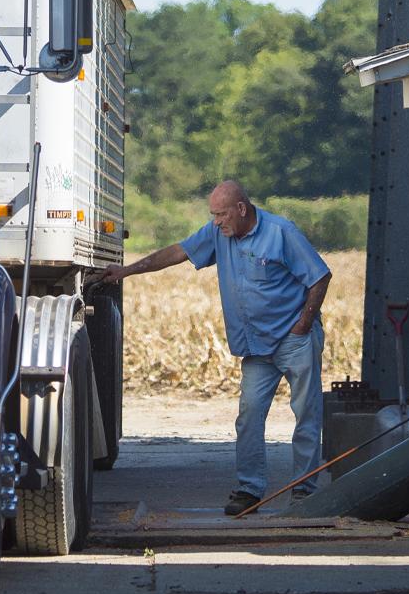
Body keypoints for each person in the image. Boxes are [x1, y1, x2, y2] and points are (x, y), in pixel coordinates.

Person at [96, 180, 331, 517]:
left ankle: (305, 492)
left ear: (241, 209)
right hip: (256, 347)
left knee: (306, 415)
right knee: (249, 417)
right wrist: (127, 271)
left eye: (221, 215)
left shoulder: (281, 233)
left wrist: (304, 324)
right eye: (214, 215)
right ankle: (250, 490)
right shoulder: (218, 235)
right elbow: (176, 252)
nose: (217, 222)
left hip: (294, 339)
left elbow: (320, 276)